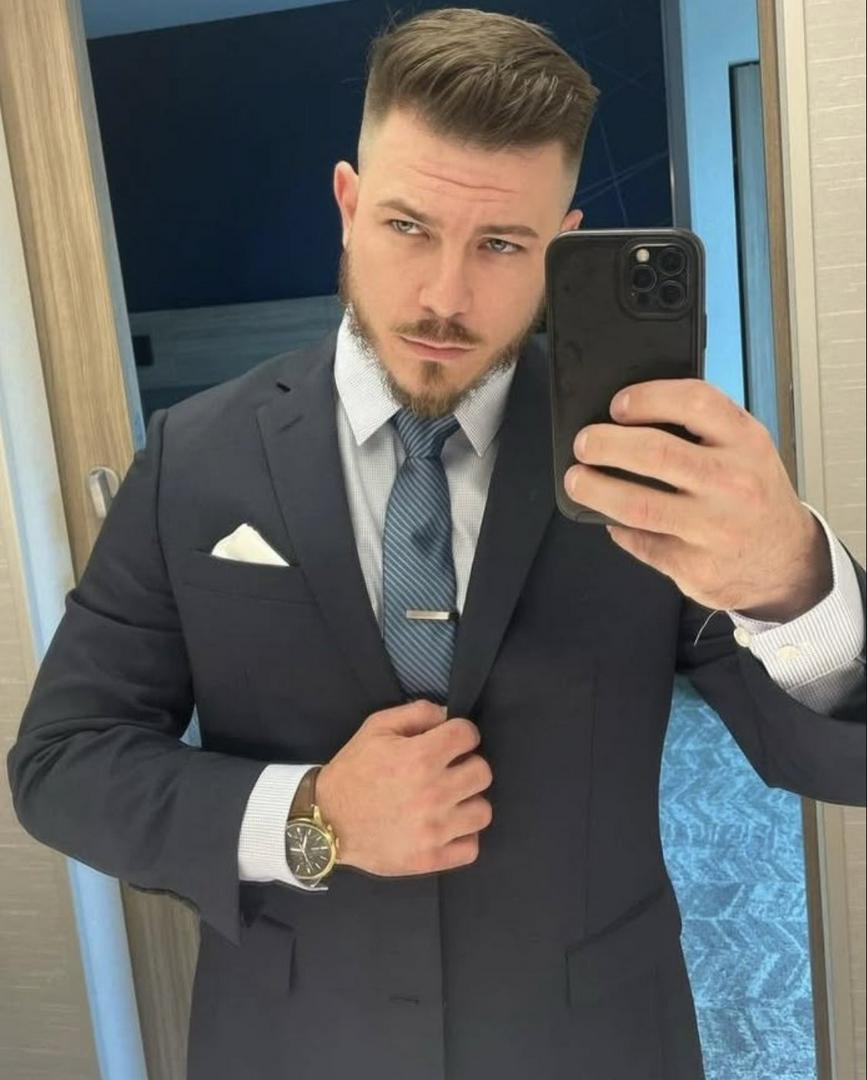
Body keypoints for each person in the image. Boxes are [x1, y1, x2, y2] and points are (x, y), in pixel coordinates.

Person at [7, 9, 865, 1080]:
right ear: (347, 204)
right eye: (408, 226)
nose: (443, 298)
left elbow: (828, 760)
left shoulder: (647, 462)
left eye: (501, 244)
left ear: (560, 245)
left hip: (593, 1040)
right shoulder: (196, 455)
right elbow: (62, 764)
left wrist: (790, 581)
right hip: (292, 1041)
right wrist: (311, 815)